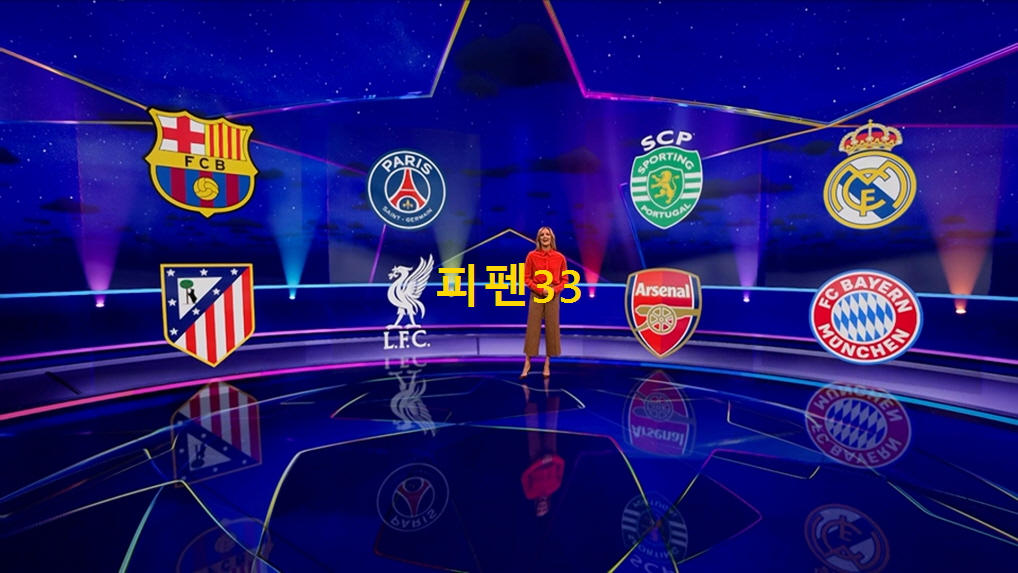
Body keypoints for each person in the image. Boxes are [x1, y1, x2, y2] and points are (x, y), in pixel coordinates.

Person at [521, 227, 567, 378]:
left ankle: (547, 362)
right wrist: (540, 290)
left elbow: (564, 280)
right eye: (542, 235)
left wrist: (554, 290)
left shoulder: (560, 257)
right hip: (537, 293)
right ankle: (527, 362)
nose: (545, 237)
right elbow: (527, 278)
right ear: (539, 238)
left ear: (551, 238)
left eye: (547, 234)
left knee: (552, 328)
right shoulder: (531, 256)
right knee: (533, 327)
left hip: (553, 294)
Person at [521, 376, 563, 518]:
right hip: (551, 455)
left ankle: (527, 394)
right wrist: (551, 458)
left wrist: (539, 462)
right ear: (548, 506)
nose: (542, 507)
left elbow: (525, 476)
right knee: (552, 424)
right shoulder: (555, 486)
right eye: (544, 509)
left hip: (535, 458)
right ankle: (548, 389)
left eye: (539, 509)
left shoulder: (530, 494)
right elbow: (562, 464)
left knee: (532, 428)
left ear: (536, 507)